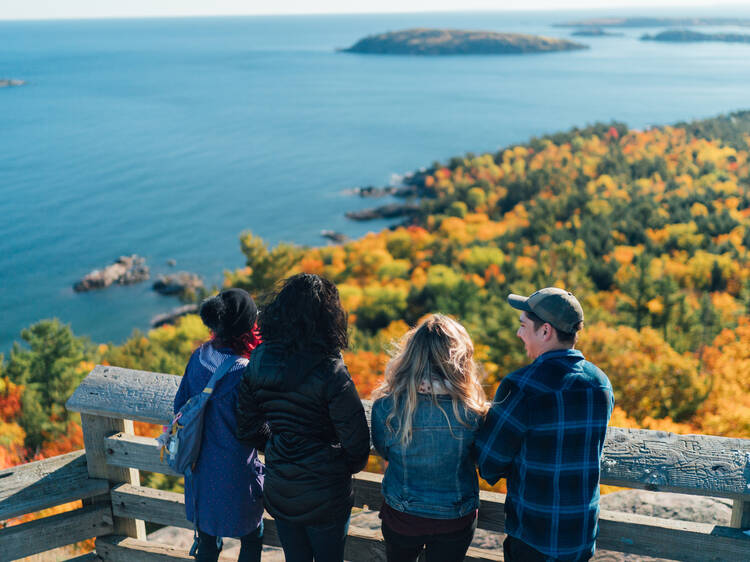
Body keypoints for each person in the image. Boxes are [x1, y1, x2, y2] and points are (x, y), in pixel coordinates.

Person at [235, 273, 370, 562]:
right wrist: (333, 462)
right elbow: (357, 446)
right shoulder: (331, 371)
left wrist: (279, 443)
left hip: (281, 487)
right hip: (327, 495)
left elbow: (246, 428)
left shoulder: (259, 359)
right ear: (328, 318)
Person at [475, 288, 614, 562]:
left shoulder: (522, 386)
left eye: (523, 325)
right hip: (581, 535)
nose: (519, 334)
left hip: (534, 535)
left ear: (546, 331)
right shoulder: (601, 384)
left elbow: (489, 462)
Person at [370, 314, 490, 562]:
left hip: (403, 515)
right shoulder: (472, 411)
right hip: (455, 517)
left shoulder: (387, 407)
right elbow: (478, 456)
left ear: (411, 355)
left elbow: (384, 451)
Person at [173, 288, 265, 562]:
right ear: (249, 328)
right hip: (237, 473)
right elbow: (259, 426)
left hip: (200, 470)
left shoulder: (198, 358)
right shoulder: (245, 372)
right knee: (252, 537)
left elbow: (180, 408)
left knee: (207, 542)